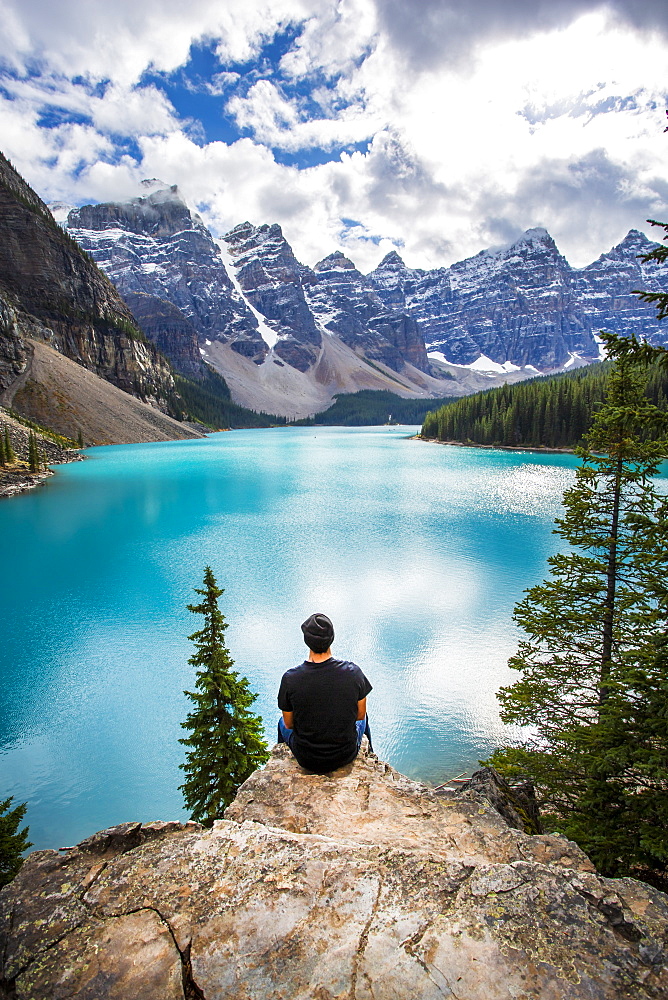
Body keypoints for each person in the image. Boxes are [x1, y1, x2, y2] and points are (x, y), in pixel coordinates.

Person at [277, 613, 373, 774]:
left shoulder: (291, 678)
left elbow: (289, 724)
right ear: (331, 638)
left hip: (307, 758)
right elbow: (360, 715)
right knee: (365, 719)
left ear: (306, 641)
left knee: (281, 722)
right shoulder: (353, 672)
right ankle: (370, 757)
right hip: (345, 754)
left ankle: (281, 765)